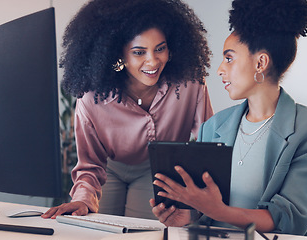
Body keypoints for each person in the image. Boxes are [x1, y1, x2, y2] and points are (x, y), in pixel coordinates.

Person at [151, 0, 307, 235]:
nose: (219, 69)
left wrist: (218, 210)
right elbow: (204, 209)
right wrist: (187, 214)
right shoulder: (214, 126)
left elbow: (289, 220)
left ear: (260, 63)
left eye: (229, 58)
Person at [42, 0, 213, 220]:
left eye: (160, 48)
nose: (153, 61)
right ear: (118, 54)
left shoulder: (191, 85)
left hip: (158, 171)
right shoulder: (91, 99)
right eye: (139, 52)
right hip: (109, 168)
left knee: (142, 232)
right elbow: (90, 165)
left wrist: (197, 203)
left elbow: (208, 148)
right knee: (100, 230)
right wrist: (82, 199)